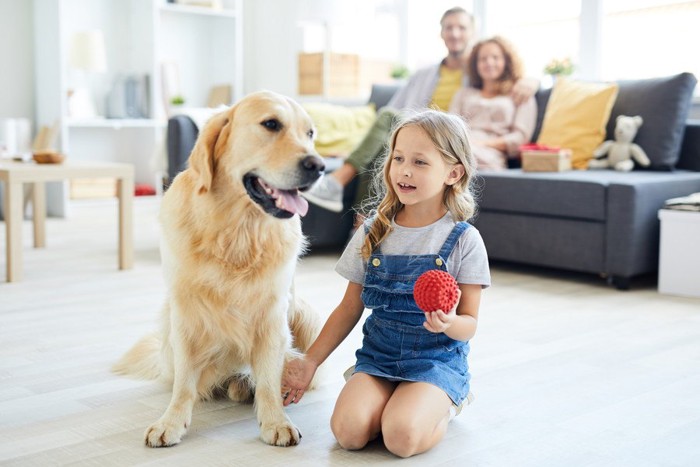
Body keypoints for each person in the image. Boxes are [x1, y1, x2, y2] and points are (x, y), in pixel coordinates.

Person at [281, 110, 491, 458]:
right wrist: (311, 361)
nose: (405, 171)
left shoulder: (464, 240)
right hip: (380, 359)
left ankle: (447, 402)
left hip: (434, 362)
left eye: (420, 162)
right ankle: (397, 403)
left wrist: (450, 323)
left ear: (453, 173)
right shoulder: (373, 232)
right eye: (398, 159)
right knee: (348, 434)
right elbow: (349, 308)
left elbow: (469, 324)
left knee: (401, 438)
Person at [302, 6, 538, 213]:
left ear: (472, 33)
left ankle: (347, 199)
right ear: (441, 33)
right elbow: (394, 109)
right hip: (414, 131)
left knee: (391, 135)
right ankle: (365, 227)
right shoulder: (429, 76)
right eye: (449, 28)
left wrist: (532, 81)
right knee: (389, 142)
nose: (455, 33)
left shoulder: (481, 78)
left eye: (461, 28)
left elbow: (506, 89)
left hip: (444, 138)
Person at [449, 36, 537, 170]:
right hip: (459, 148)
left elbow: (520, 138)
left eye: (495, 57)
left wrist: (482, 144)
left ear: (506, 62)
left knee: (457, 158)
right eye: (483, 59)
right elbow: (449, 128)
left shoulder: (521, 94)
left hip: (490, 154)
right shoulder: (463, 94)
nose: (489, 63)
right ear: (476, 65)